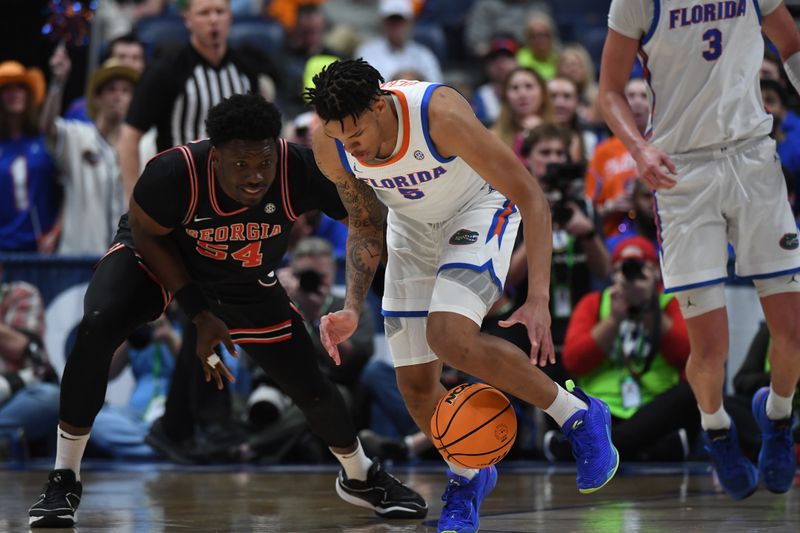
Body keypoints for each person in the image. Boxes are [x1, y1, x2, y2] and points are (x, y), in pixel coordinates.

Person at [27, 94, 426, 528]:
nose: (255, 177)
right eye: (241, 165)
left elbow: (368, 222)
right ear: (215, 157)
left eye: (264, 163)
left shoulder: (301, 170)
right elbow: (147, 234)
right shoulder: (173, 172)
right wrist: (198, 314)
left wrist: (404, 275)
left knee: (309, 383)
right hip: (160, 258)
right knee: (99, 324)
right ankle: (64, 478)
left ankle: (360, 475)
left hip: (241, 273)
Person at [305, 59, 618, 533]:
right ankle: (470, 474)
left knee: (450, 336)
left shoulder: (439, 115)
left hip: (479, 210)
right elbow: (366, 224)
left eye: (355, 134)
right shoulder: (328, 143)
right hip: (410, 233)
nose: (349, 146)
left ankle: (577, 415)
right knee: (414, 391)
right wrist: (351, 306)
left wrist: (537, 298)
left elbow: (533, 198)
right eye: (338, 136)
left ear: (379, 104)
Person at [599, 0, 800, 499]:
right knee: (711, 348)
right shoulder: (636, 2)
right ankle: (717, 431)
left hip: (753, 157)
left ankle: (777, 418)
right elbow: (609, 91)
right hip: (681, 173)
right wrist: (639, 149)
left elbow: (791, 43)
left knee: (792, 332)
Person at [555, 236, 698, 462]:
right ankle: (644, 450)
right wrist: (613, 319)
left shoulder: (669, 303)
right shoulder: (595, 302)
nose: (632, 277)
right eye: (625, 269)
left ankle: (591, 448)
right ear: (614, 273)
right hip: (602, 407)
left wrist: (648, 308)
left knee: (690, 392)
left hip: (653, 408)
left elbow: (688, 355)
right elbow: (573, 362)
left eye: (641, 269)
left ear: (656, 273)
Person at [118, 0, 257, 202]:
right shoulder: (166, 70)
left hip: (233, 195)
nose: (213, 20)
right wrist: (132, 201)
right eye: (204, 13)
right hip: (179, 195)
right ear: (187, 19)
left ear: (230, 16)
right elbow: (129, 136)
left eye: (220, 12)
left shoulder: (245, 69)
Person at [41, 47, 137, 255]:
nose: (118, 96)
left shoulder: (142, 144)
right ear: (97, 98)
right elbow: (47, 127)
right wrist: (58, 83)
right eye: (111, 89)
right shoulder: (78, 136)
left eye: (125, 90)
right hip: (78, 256)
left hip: (123, 259)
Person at [0, 61, 60, 253]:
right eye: (6, 88)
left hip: (41, 248)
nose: (14, 93)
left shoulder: (45, 141)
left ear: (29, 94)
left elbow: (69, 188)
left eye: (20, 87)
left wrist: (56, 232)